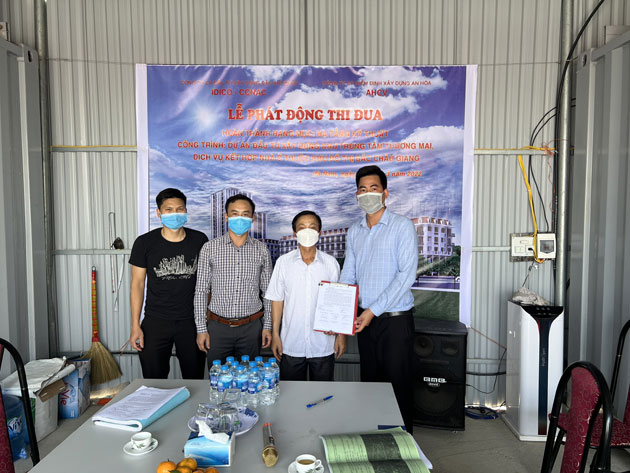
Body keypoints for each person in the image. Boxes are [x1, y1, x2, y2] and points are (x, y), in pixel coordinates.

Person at [339, 165, 418, 433]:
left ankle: (403, 446)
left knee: (397, 387)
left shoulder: (402, 226)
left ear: (385, 193)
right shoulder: (355, 231)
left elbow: (406, 275)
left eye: (374, 188)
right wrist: (340, 313)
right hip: (365, 321)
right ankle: (375, 441)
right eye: (362, 189)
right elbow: (349, 273)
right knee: (371, 384)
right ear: (357, 195)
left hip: (395, 321)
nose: (368, 194)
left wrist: (372, 311)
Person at [128, 188, 208, 379]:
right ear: (159, 213)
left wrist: (205, 321)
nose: (175, 214)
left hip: (191, 322)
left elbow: (208, 283)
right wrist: (135, 325)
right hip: (156, 321)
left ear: (186, 211)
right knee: (154, 379)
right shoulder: (144, 243)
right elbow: (137, 285)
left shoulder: (200, 240)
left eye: (180, 209)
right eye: (169, 209)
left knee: (194, 377)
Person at [265, 211, 347, 381]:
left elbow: (339, 302)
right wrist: (276, 335)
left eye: (312, 227)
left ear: (319, 232)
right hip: (291, 342)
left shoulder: (330, 263)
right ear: (295, 233)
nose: (307, 231)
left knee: (323, 392)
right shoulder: (283, 262)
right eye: (302, 227)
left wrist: (341, 336)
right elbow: (277, 300)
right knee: (292, 392)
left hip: (323, 343)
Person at [194, 194, 272, 364]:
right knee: (218, 376)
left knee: (250, 376)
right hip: (218, 327)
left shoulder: (262, 250)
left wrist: (267, 326)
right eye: (235, 213)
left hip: (251, 328)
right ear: (226, 217)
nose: (240, 218)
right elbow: (201, 290)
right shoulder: (209, 248)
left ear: (252, 218)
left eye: (245, 214)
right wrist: (201, 329)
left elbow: (268, 292)